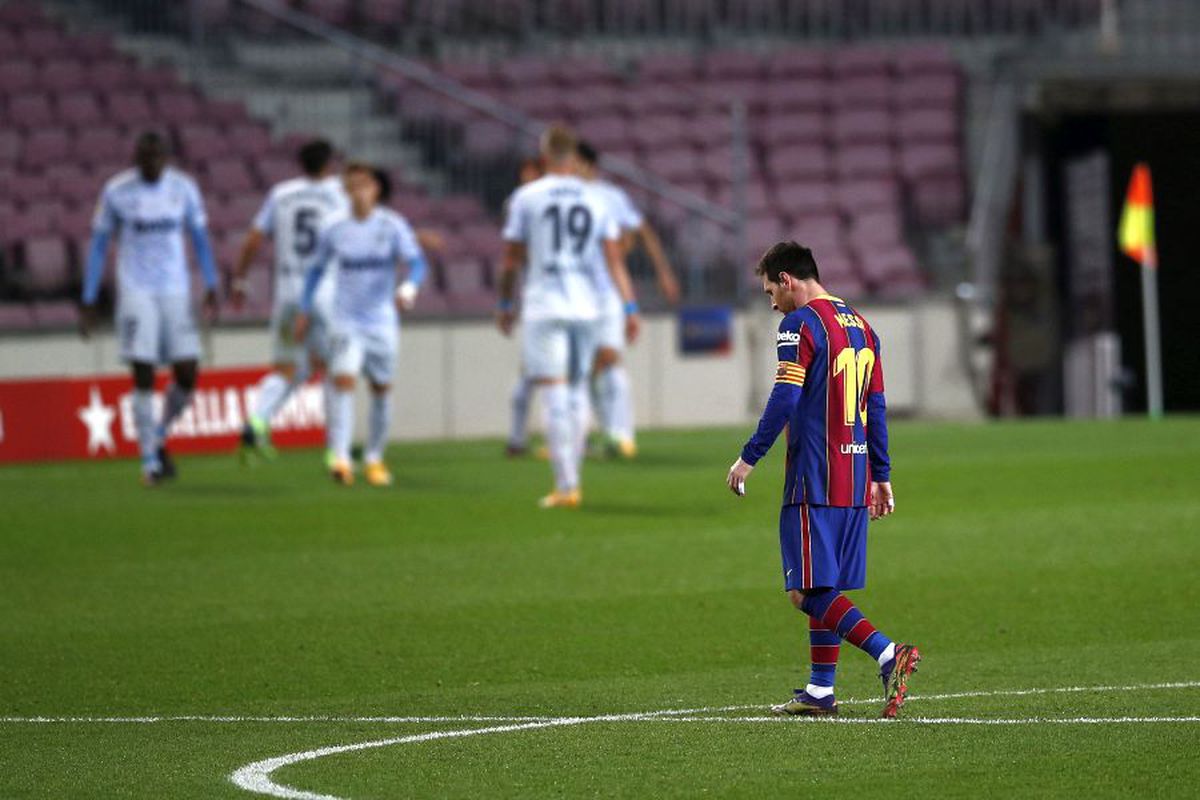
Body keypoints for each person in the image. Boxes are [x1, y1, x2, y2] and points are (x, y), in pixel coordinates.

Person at [725, 241, 920, 719]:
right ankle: (819, 690)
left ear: (788, 279)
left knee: (806, 591)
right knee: (823, 584)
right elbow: (874, 405)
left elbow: (786, 396)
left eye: (771, 290)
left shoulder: (800, 324)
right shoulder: (863, 326)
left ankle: (887, 652)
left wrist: (750, 457)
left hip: (814, 475)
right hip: (853, 476)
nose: (771, 302)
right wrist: (881, 473)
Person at [496, 125, 638, 508]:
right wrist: (629, 306)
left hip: (544, 306)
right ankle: (572, 479)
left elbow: (511, 260)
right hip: (588, 307)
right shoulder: (597, 200)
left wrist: (506, 304)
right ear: (573, 158)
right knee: (577, 391)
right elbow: (613, 260)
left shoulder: (526, 197)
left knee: (554, 392)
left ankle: (566, 485)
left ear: (544, 158)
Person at [79, 131, 219, 486]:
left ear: (167, 157)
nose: (151, 162)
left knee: (187, 373)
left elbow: (200, 238)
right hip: (136, 292)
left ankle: (158, 434)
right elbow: (98, 247)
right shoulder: (116, 191)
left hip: (175, 290)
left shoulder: (183, 188)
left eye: (157, 156)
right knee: (143, 373)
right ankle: (148, 462)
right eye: (145, 156)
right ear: (136, 158)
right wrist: (89, 297)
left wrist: (212, 282)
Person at [293, 163, 427, 487]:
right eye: (353, 186)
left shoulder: (392, 225)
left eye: (364, 184)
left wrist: (409, 288)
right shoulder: (334, 227)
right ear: (346, 191)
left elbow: (417, 262)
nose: (360, 191)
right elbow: (315, 270)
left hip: (381, 321)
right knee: (343, 382)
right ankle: (341, 458)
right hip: (345, 320)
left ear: (375, 189)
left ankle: (374, 458)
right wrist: (304, 307)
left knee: (381, 389)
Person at [231, 138, 348, 465]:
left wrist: (240, 278)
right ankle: (336, 448)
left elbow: (254, 238)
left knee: (287, 367)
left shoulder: (281, 194)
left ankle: (257, 421)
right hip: (325, 291)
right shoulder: (340, 193)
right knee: (334, 369)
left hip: (286, 294)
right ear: (328, 165)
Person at [575, 139, 680, 458]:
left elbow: (639, 231)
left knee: (608, 358)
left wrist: (663, 271)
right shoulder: (564, 197)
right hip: (575, 294)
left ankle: (623, 434)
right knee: (585, 367)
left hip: (607, 291)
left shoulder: (609, 196)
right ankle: (606, 434)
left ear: (587, 165)